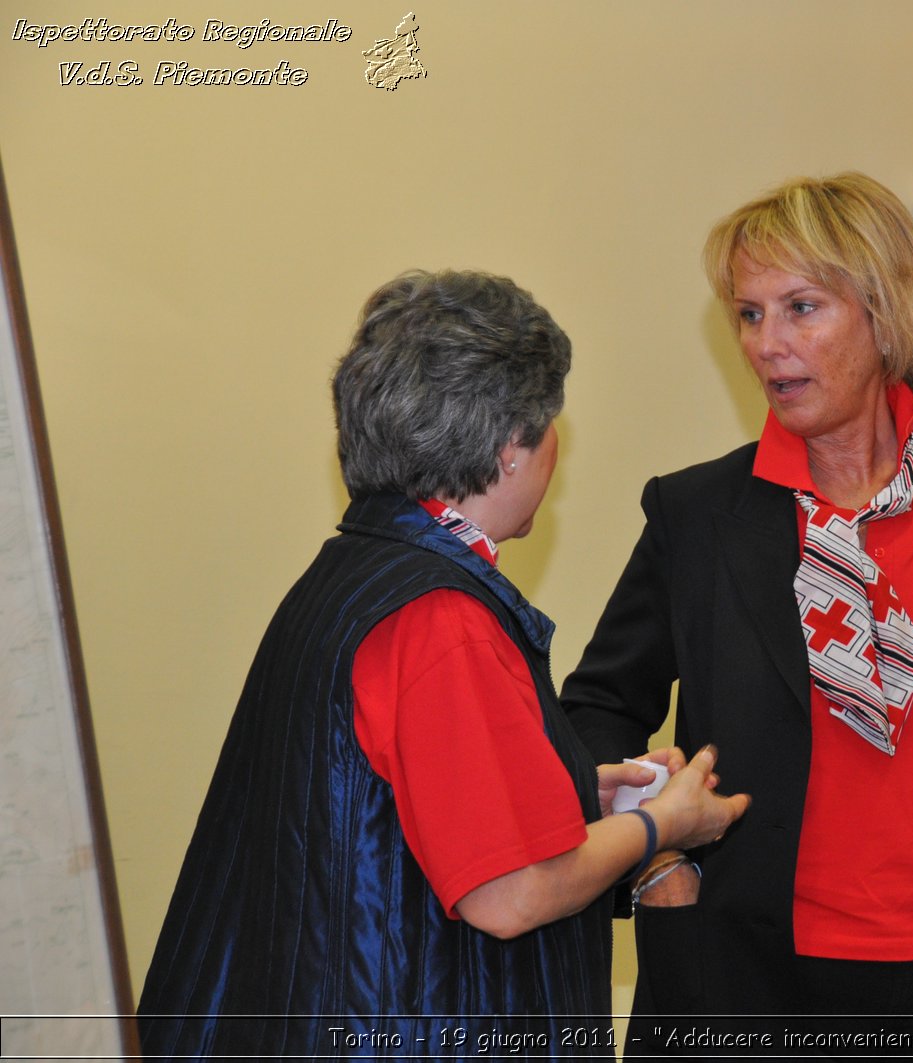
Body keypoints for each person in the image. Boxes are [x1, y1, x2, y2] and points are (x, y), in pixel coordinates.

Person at [137, 270, 749, 1059]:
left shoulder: (355, 572)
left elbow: (392, 798)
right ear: (508, 450)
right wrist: (661, 824)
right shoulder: (442, 619)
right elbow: (511, 889)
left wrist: (575, 786)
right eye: (551, 423)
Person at [561, 173, 913, 1049]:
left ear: (885, 314)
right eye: (748, 314)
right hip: (741, 984)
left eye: (801, 307)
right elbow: (592, 710)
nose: (769, 345)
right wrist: (655, 860)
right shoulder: (698, 516)